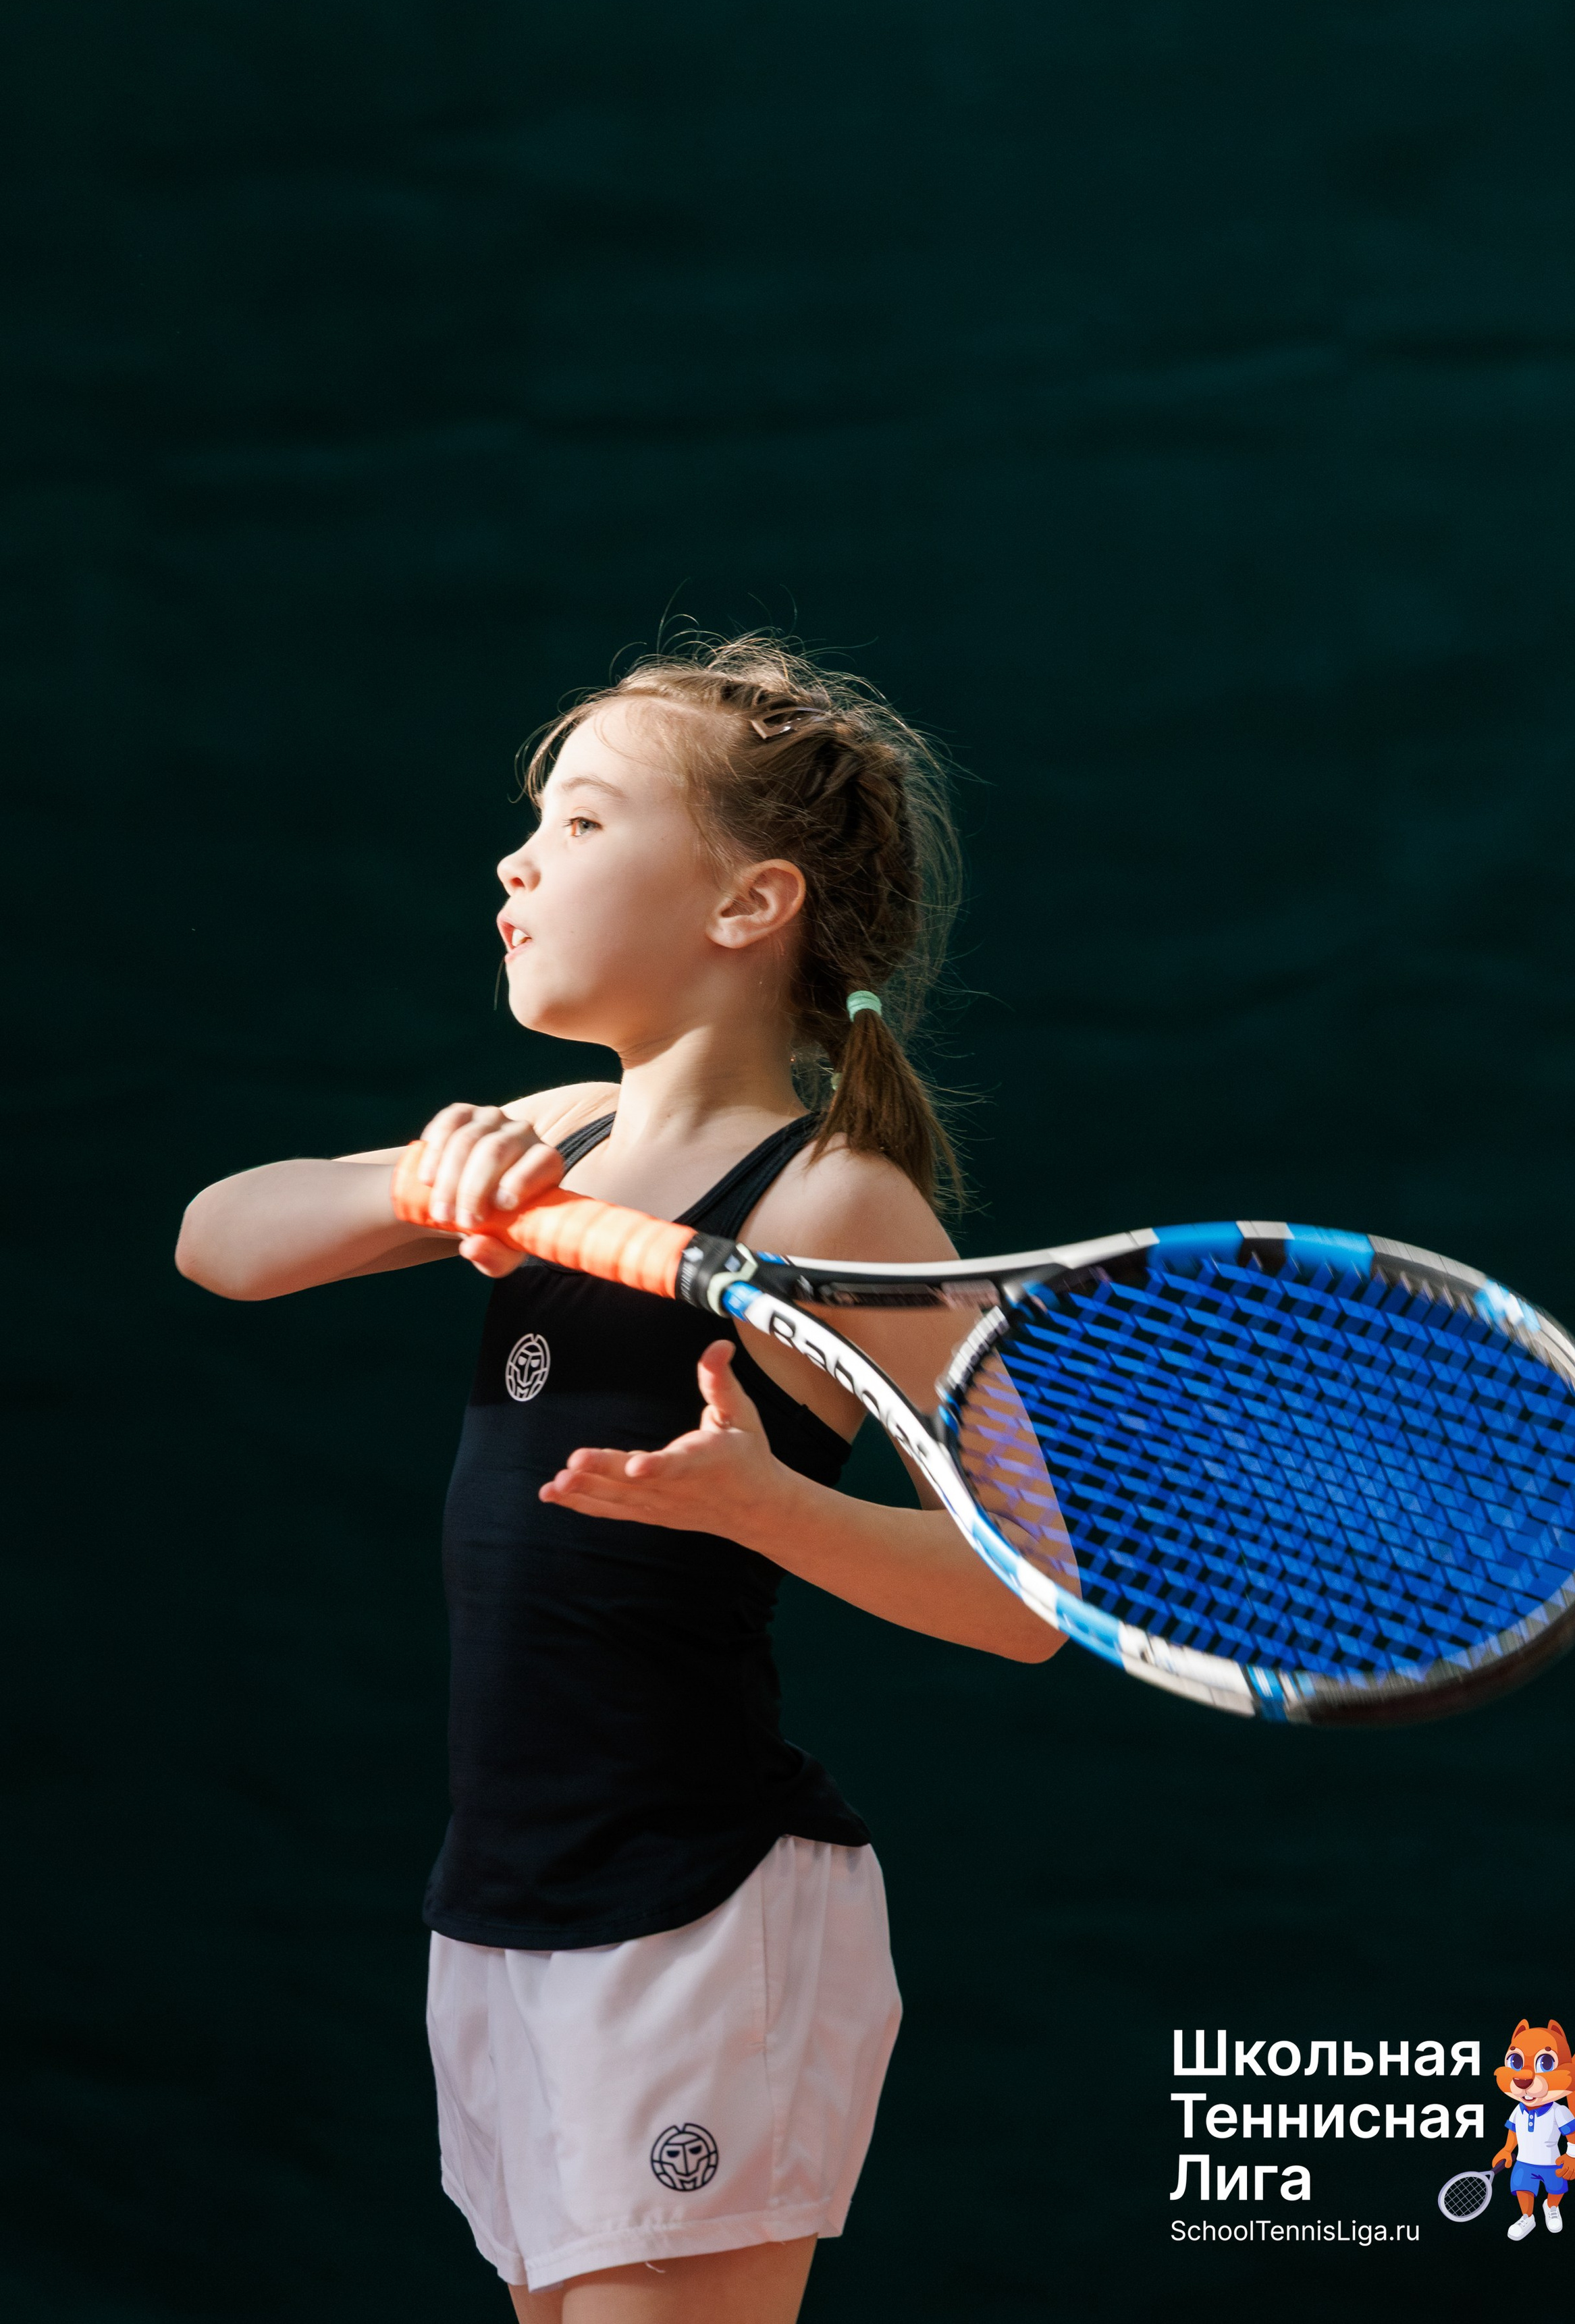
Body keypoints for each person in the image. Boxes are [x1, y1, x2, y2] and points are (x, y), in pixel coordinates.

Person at [176, 637, 1061, 2323]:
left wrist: (771, 1504)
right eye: (531, 822)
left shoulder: (834, 1210)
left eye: (580, 820)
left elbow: (1030, 1597)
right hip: (506, 1910)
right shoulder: (551, 1136)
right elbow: (217, 1239)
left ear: (750, 904)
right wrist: (422, 1194)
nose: (517, 857)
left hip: (698, 1916)